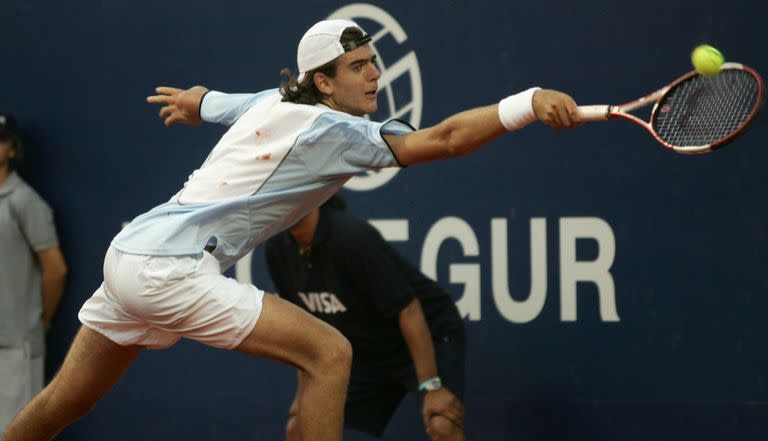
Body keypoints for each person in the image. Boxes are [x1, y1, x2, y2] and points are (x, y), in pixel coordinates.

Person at [1, 19, 580, 441]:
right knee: (329, 354)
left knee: (61, 406)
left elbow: (215, 102)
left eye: (373, 62)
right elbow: (446, 140)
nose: (375, 74)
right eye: (358, 68)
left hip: (128, 256)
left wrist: (193, 103)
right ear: (324, 84)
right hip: (169, 270)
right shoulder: (332, 130)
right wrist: (527, 102)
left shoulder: (273, 100)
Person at [265, 193, 467, 440]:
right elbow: (302, 332)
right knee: (299, 429)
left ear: (312, 195)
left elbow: (409, 309)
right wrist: (302, 395)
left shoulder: (351, 237)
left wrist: (431, 386)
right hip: (366, 351)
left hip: (426, 335)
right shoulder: (276, 249)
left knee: (442, 424)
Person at [0, 113, 68, 436]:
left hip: (16, 347)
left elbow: (55, 269)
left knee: (17, 433)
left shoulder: (24, 202)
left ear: (12, 149)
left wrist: (38, 322)